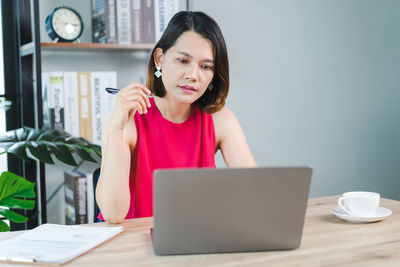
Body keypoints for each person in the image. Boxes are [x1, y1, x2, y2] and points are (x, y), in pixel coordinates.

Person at [96, 11, 257, 223]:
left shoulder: (220, 120)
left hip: (196, 241)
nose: (193, 75)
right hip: (135, 244)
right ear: (159, 59)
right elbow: (113, 214)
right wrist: (115, 130)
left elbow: (255, 194)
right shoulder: (128, 121)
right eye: (183, 60)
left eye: (205, 66)